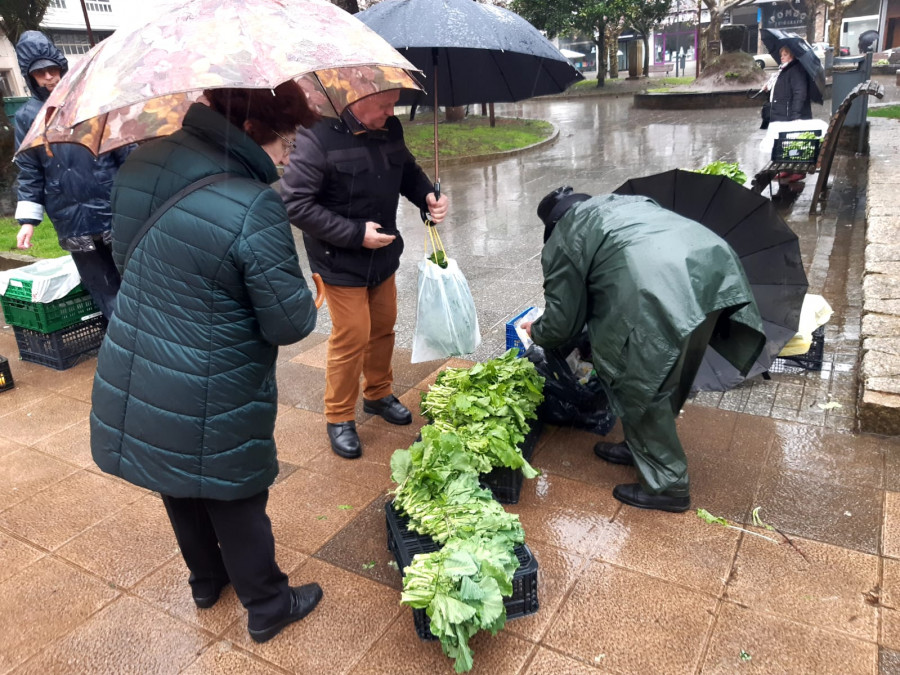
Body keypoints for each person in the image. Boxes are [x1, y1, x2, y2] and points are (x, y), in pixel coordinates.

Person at [90, 82, 323, 643]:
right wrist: (305, 293)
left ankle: (205, 579)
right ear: (249, 129)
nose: (291, 155)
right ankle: (269, 604)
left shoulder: (144, 159)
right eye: (288, 140)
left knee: (176, 476)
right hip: (215, 374)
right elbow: (288, 324)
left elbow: (127, 258)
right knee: (234, 490)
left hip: (141, 352)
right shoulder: (253, 202)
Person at [522, 188, 766, 513]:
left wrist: (536, 330)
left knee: (639, 381)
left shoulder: (565, 238)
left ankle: (668, 486)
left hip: (656, 292)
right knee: (673, 368)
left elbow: (562, 324)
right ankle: (642, 451)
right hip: (710, 273)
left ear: (552, 226)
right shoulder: (624, 204)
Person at [280, 89, 449, 460]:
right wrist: (356, 234)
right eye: (384, 105)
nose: (391, 112)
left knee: (384, 325)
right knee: (352, 334)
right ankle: (339, 416)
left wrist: (427, 198)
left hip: (383, 254)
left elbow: (406, 171)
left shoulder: (390, 129)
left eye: (394, 105)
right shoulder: (316, 135)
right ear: (356, 100)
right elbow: (295, 204)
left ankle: (377, 394)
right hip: (337, 259)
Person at [13, 31, 131, 319]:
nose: (50, 77)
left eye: (52, 69)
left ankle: (151, 337)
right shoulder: (27, 117)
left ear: (62, 67)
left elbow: (123, 148)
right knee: (102, 286)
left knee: (134, 278)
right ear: (31, 77)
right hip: (70, 216)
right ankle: (126, 344)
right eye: (40, 73)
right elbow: (29, 170)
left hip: (112, 204)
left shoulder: (91, 100)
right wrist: (28, 221)